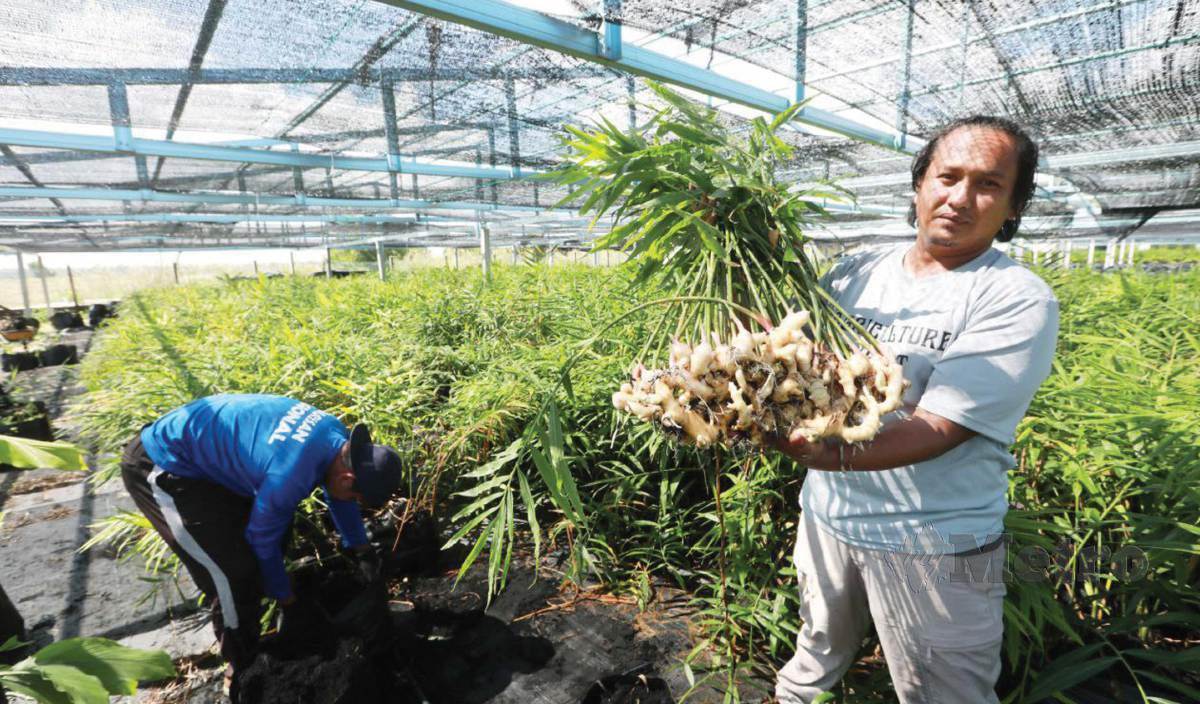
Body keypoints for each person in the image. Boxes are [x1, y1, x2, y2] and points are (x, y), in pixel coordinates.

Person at [771, 116, 1059, 703]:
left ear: (1013, 206)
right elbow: (797, 360)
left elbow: (940, 426)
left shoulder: (1014, 297)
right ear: (918, 186)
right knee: (815, 653)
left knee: (945, 693)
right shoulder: (854, 271)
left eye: (987, 185)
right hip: (827, 517)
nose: (959, 197)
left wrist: (827, 454)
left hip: (935, 542)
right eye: (946, 176)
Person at [119, 393, 404, 691]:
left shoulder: (338, 440)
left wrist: (362, 550)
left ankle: (264, 620)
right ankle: (242, 668)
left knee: (272, 540)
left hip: (209, 457)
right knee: (232, 574)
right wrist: (290, 603)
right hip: (163, 464)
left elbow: (339, 496)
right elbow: (262, 541)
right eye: (357, 498)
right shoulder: (289, 475)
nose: (354, 503)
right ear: (348, 477)